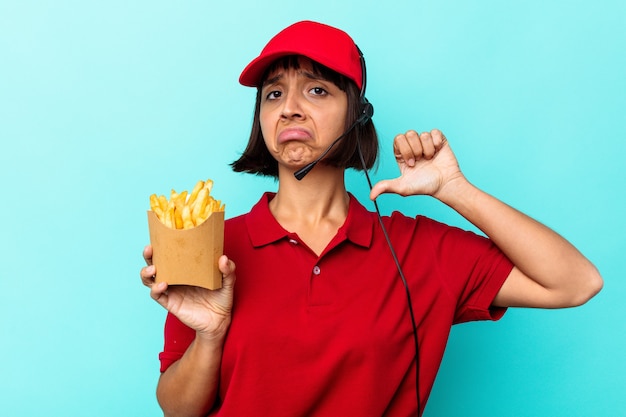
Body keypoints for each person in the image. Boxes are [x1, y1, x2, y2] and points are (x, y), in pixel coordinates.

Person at [140, 20, 603, 417]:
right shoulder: (214, 246)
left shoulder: (419, 250)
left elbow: (575, 282)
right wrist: (211, 336)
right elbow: (177, 410)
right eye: (273, 93)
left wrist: (455, 190)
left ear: (359, 115)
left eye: (317, 89)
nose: (289, 107)